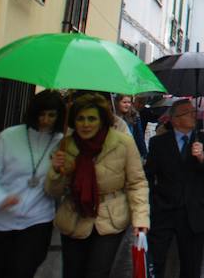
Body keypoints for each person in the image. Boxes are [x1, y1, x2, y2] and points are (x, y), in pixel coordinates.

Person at [45, 92, 149, 278]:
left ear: (102, 120)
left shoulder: (123, 143)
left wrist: (140, 219)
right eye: (80, 119)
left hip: (110, 218)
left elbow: (137, 183)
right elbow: (53, 191)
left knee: (97, 272)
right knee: (72, 272)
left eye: (92, 118)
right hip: (74, 216)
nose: (86, 124)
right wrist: (57, 172)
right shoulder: (66, 145)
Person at [145, 98, 204, 278]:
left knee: (191, 264)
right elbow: (148, 175)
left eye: (194, 111)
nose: (194, 115)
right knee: (157, 261)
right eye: (188, 113)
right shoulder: (158, 143)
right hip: (164, 210)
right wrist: (146, 207)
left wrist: (202, 157)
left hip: (194, 212)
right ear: (175, 119)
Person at [0, 90, 65, 278]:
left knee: (23, 270)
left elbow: (58, 189)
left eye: (52, 115)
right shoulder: (8, 137)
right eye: (41, 114)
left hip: (38, 220)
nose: (45, 120)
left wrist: (58, 171)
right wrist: (1, 198)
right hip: (2, 220)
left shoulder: (61, 143)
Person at [113, 94, 147, 159]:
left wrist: (144, 154)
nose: (127, 105)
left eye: (129, 102)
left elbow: (139, 137)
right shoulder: (112, 117)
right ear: (117, 103)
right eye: (124, 102)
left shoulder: (134, 116)